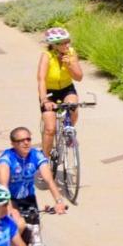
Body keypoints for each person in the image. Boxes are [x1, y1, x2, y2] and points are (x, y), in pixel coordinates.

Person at [38, 27, 83, 159]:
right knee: (50, 129)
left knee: (73, 107)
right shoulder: (46, 56)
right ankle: (44, 161)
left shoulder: (71, 53)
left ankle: (68, 131)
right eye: (63, 43)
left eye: (68, 41)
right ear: (55, 45)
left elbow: (79, 77)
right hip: (49, 92)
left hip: (66, 88)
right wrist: (44, 100)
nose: (67, 45)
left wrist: (70, 65)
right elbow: (41, 79)